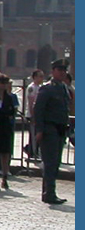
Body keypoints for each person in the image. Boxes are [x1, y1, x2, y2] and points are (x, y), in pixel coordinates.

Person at [33, 59, 72, 204]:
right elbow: (39, 110)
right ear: (53, 71)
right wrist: (40, 130)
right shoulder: (47, 88)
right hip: (49, 129)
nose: (62, 73)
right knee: (50, 163)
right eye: (59, 70)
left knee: (55, 163)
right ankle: (49, 193)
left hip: (60, 129)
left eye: (64, 71)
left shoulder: (63, 88)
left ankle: (49, 191)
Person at [0, 74, 17, 189]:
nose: (4, 85)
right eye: (2, 83)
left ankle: (5, 177)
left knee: (5, 153)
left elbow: (12, 111)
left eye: (6, 83)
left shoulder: (9, 97)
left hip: (5, 127)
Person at [24, 68, 44, 158]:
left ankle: (35, 151)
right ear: (34, 77)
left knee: (38, 134)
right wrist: (32, 116)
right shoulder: (32, 88)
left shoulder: (41, 87)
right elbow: (31, 102)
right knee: (33, 134)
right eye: (40, 76)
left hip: (39, 114)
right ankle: (31, 151)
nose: (42, 78)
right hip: (33, 115)